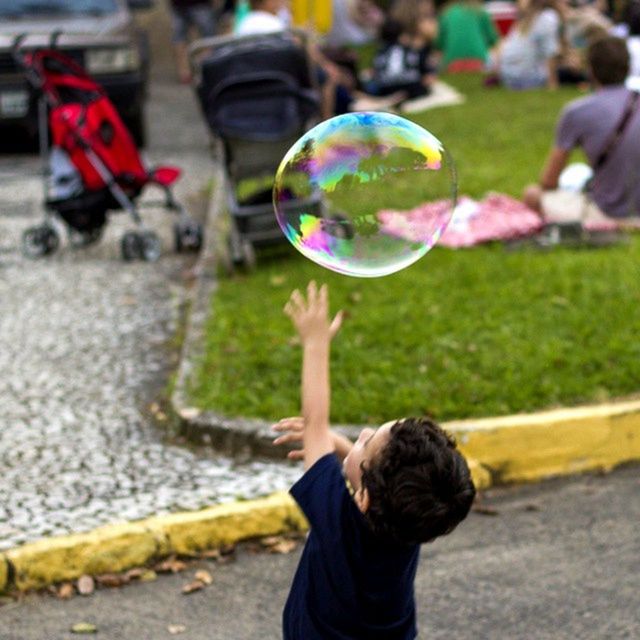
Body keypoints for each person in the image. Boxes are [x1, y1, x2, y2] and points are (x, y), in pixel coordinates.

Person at [273, 281, 476, 640]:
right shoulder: (411, 517)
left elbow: (314, 420)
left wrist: (315, 344)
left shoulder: (338, 525)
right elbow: (376, 479)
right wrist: (342, 447)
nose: (362, 433)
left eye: (365, 443)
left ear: (363, 498)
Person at [524, 36, 640, 223]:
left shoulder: (577, 112)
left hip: (606, 213)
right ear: (627, 67)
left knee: (532, 194)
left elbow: (548, 181)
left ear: (591, 71)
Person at [235, 0, 407, 116]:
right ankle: (329, 123)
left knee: (331, 70)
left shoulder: (244, 24)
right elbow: (299, 47)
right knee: (328, 75)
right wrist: (325, 65)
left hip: (260, 80)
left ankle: (366, 102)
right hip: (284, 78)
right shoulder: (272, 23)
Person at [367, 0, 437, 98]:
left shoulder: (388, 45)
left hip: (384, 88)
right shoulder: (415, 47)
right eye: (427, 16)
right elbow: (427, 76)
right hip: (410, 87)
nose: (434, 22)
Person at [498, 0, 562, 89]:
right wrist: (552, 84)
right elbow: (551, 53)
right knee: (567, 71)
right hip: (529, 79)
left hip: (508, 78)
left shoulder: (525, 18)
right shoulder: (549, 17)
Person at [435, 0, 499, 72]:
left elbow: (439, 44)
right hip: (479, 61)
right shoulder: (481, 12)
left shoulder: (446, 13)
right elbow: (493, 40)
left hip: (452, 63)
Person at [169, 0, 218, 83]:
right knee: (180, 39)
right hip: (182, 5)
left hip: (197, 4)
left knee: (208, 39)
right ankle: (186, 72)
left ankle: (204, 69)